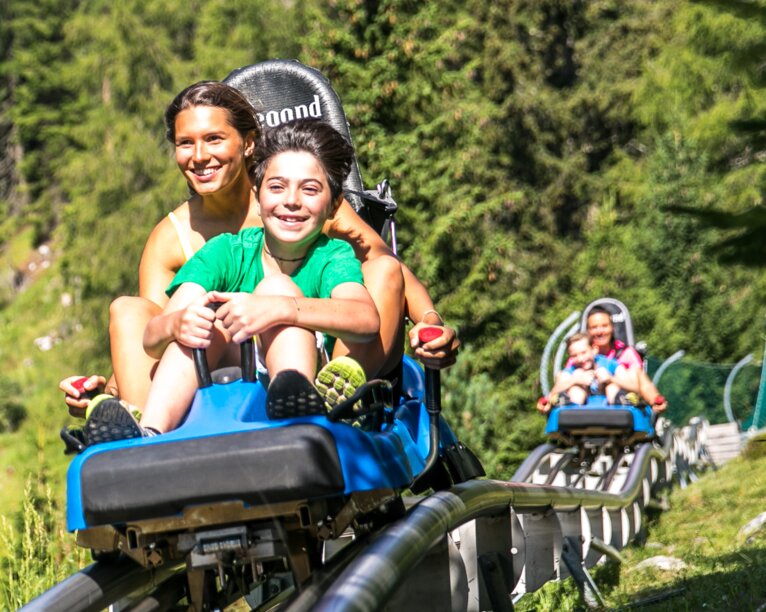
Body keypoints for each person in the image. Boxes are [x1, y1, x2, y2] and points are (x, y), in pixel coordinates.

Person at [60, 81, 458, 413]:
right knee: (127, 310)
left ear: (249, 144)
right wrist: (108, 389)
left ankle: (338, 393)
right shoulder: (171, 237)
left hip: (316, 348)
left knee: (378, 271)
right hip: (221, 361)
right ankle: (141, 422)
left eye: (214, 139)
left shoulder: (295, 202)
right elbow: (157, 332)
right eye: (186, 143)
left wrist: (430, 322)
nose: (199, 157)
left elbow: (390, 272)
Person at [83, 119, 381, 443]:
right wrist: (176, 325)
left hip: (301, 377)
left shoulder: (332, 255)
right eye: (277, 187)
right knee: (203, 323)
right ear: (257, 193)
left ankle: (298, 414)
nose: (292, 200)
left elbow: (365, 318)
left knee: (275, 288)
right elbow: (152, 337)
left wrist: (282, 309)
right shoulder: (227, 250)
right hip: (222, 383)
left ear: (334, 204)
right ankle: (151, 433)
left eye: (309, 189)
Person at [584, 306, 667, 413]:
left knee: (634, 371)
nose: (600, 331)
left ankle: (651, 401)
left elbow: (641, 378)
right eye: (594, 327)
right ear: (588, 331)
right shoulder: (582, 355)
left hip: (623, 395)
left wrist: (610, 379)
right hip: (590, 399)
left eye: (604, 326)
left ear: (612, 327)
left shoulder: (626, 353)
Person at [538, 333, 640, 413]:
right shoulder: (573, 370)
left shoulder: (609, 364)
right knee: (575, 387)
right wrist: (575, 380)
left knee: (612, 387)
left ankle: (622, 402)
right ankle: (568, 407)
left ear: (594, 349)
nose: (581, 359)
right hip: (582, 405)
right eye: (574, 356)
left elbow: (634, 387)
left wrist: (610, 379)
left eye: (584, 353)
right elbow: (553, 393)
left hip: (609, 404)